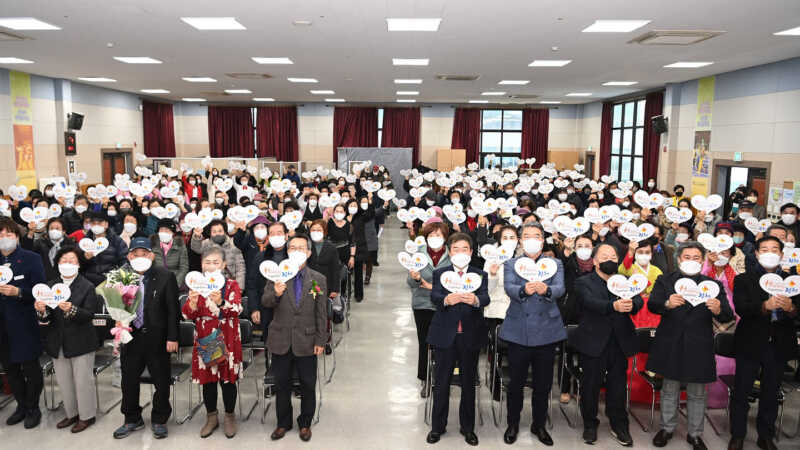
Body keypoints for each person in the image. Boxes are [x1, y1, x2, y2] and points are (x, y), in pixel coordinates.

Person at [647, 241, 734, 450]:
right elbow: (653, 304)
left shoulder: (712, 285)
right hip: (670, 340)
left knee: (697, 392)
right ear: (678, 259)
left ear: (703, 260)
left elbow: (727, 315)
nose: (692, 261)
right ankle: (667, 428)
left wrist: (718, 308)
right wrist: (667, 304)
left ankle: (695, 434)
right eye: (687, 257)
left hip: (700, 343)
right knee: (669, 388)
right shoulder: (665, 280)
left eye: (697, 258)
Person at [728, 236, 798, 450]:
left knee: (771, 392)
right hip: (750, 341)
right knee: (741, 391)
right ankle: (737, 435)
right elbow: (741, 308)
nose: (769, 252)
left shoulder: (793, 281)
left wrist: (791, 310)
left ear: (781, 254)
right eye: (764, 249)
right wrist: (764, 306)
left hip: (778, 344)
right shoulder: (744, 279)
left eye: (774, 249)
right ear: (757, 254)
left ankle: (764, 434)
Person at [500, 223, 566, 446]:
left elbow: (560, 288)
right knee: (516, 383)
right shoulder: (511, 263)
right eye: (526, 236)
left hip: (547, 331)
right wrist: (523, 290)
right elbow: (509, 287)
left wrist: (546, 290)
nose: (531, 240)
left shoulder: (555, 263)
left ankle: (539, 425)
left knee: (543, 384)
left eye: (536, 236)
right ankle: (513, 423)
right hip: (519, 332)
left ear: (543, 239)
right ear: (520, 241)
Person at [572, 242, 643, 446]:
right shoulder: (583, 282)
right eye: (604, 256)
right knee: (590, 385)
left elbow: (638, 301)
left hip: (620, 341)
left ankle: (619, 424)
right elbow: (589, 302)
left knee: (618, 386)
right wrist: (613, 305)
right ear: (594, 261)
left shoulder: (625, 281)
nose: (609, 260)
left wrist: (631, 304)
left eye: (613, 256)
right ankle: (590, 424)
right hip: (593, 340)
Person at [426, 233, 490, 447]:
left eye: (465, 249)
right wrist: (445, 299)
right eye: (456, 249)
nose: (460, 253)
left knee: (468, 383)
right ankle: (437, 427)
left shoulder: (479, 274)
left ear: (471, 252)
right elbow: (434, 296)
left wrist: (476, 300)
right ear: (449, 251)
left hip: (470, 335)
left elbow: (486, 297)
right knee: (441, 382)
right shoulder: (441, 273)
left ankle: (468, 428)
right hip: (445, 335)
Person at [113, 237, 180, 440]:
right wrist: (118, 323)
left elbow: (172, 311)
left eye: (144, 254)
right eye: (135, 254)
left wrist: (172, 337)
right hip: (130, 338)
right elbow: (115, 306)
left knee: (161, 380)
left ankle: (160, 419)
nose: (140, 258)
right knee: (129, 380)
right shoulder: (121, 277)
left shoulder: (165, 276)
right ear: (129, 256)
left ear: (152, 255)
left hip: (158, 338)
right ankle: (132, 418)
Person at [262, 234, 327, 442]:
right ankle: (283, 423)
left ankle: (305, 423)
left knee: (307, 384)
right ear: (287, 252)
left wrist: (320, 340)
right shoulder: (276, 275)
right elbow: (266, 302)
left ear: (308, 253)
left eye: (301, 248)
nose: (297, 251)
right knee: (282, 384)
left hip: (307, 340)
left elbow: (321, 313)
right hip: (281, 338)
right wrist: (277, 293)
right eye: (293, 248)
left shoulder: (318, 279)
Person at [35, 246, 99, 433]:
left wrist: (71, 309)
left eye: (72, 260)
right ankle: (71, 413)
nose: (67, 264)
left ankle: (87, 416)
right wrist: (41, 311)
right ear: (58, 264)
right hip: (57, 341)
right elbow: (45, 319)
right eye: (64, 260)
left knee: (82, 381)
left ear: (78, 264)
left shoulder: (87, 286)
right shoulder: (50, 286)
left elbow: (89, 315)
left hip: (81, 341)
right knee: (64, 381)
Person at [182, 247, 243, 439]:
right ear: (201, 265)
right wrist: (191, 303)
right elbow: (186, 314)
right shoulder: (197, 285)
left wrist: (221, 302)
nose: (211, 266)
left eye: (216, 262)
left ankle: (230, 416)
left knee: (227, 380)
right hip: (206, 336)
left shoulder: (231, 284)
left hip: (227, 336)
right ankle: (211, 417)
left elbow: (238, 309)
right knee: (209, 380)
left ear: (224, 264)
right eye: (207, 263)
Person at [0, 217, 46, 429]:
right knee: (10, 368)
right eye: (0, 235)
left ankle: (33, 407)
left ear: (17, 237)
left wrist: (19, 292)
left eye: (9, 234)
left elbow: (40, 291)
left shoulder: (31, 258)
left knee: (30, 368)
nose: (5, 239)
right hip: (2, 327)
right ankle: (20, 406)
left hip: (24, 322)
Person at [407, 222, 451, 398]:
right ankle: (425, 378)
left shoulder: (452, 255)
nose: (435, 239)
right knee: (424, 343)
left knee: (442, 343)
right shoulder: (418, 255)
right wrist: (416, 279)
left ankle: (440, 378)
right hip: (422, 305)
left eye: (438, 235)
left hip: (445, 304)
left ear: (445, 237)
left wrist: (432, 287)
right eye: (431, 235)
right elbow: (410, 284)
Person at [190, 219, 246, 289]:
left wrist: (239, 288)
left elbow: (240, 268)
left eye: (220, 231)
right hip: (210, 284)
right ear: (210, 233)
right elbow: (196, 248)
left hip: (229, 285)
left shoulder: (234, 244)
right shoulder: (206, 244)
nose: (217, 234)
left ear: (225, 232)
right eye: (214, 232)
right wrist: (197, 236)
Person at [82, 211, 129, 286]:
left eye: (100, 223)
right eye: (94, 223)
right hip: (89, 281)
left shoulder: (116, 240)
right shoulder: (85, 241)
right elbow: (79, 265)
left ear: (106, 224)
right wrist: (85, 258)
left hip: (110, 280)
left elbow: (125, 261)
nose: (96, 226)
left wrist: (116, 278)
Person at [306, 219, 341, 299]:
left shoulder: (331, 248)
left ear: (324, 232)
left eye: (319, 230)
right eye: (313, 230)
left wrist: (335, 289)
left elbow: (335, 269)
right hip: (308, 283)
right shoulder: (306, 246)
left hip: (325, 283)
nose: (316, 232)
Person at [151, 219, 189, 288]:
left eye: (167, 230)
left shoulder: (180, 245)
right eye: (161, 230)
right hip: (157, 282)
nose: (164, 232)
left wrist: (175, 284)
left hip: (174, 280)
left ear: (173, 233)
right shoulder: (152, 245)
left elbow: (184, 267)